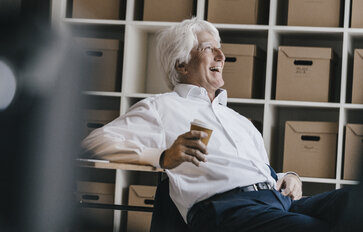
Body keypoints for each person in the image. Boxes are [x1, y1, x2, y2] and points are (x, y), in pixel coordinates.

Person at [81, 17, 353, 232]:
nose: (221, 56)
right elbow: (93, 143)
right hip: (226, 211)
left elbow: (257, 173)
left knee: (355, 205)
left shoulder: (239, 121)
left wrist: (288, 177)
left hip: (277, 204)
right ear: (181, 65)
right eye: (208, 48)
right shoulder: (162, 107)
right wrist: (163, 157)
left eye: (219, 48)